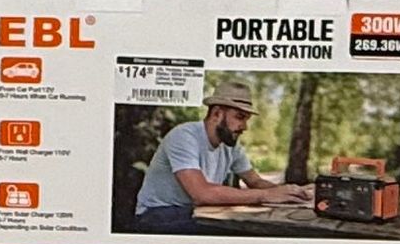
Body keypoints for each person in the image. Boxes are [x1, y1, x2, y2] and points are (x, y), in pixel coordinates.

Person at [133, 80, 312, 233]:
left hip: (198, 212)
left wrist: (291, 194)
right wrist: (266, 195)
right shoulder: (184, 136)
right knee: (243, 234)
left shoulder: (230, 145)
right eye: (240, 117)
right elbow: (201, 194)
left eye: (246, 119)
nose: (245, 127)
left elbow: (255, 182)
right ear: (217, 113)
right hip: (157, 215)